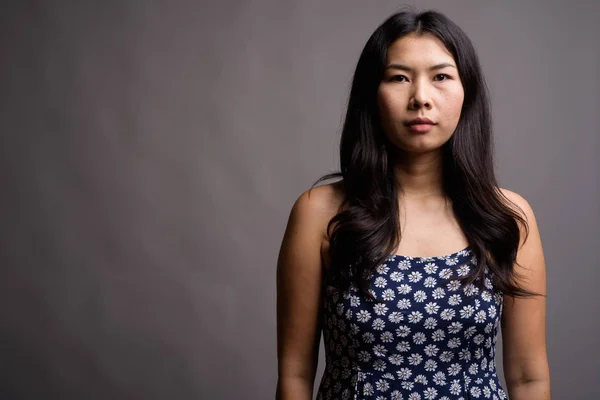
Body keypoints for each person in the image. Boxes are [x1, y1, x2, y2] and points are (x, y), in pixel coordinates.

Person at [276, 8, 550, 400]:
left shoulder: (508, 217)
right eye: (399, 78)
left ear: (466, 91)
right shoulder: (321, 212)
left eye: (441, 77)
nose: (420, 98)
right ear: (372, 94)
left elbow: (528, 378)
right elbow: (294, 376)